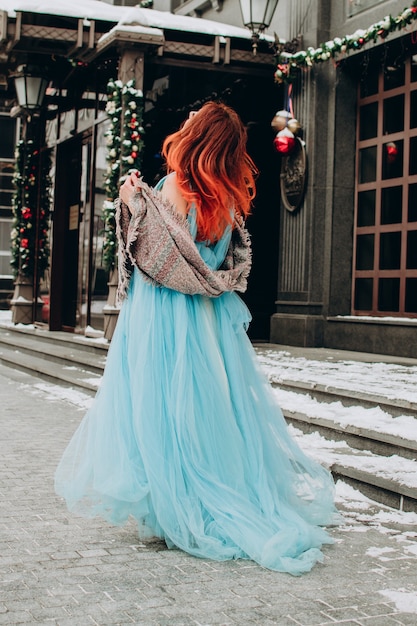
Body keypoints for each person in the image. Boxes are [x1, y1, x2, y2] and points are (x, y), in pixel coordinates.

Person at [55, 101, 339, 576]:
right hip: (208, 317)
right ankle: (204, 493)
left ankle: (176, 507)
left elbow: (151, 255)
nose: (183, 123)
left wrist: (132, 202)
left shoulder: (173, 188)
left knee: (161, 408)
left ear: (199, 137)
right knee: (208, 409)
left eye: (191, 121)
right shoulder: (228, 200)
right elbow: (209, 262)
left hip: (163, 315)